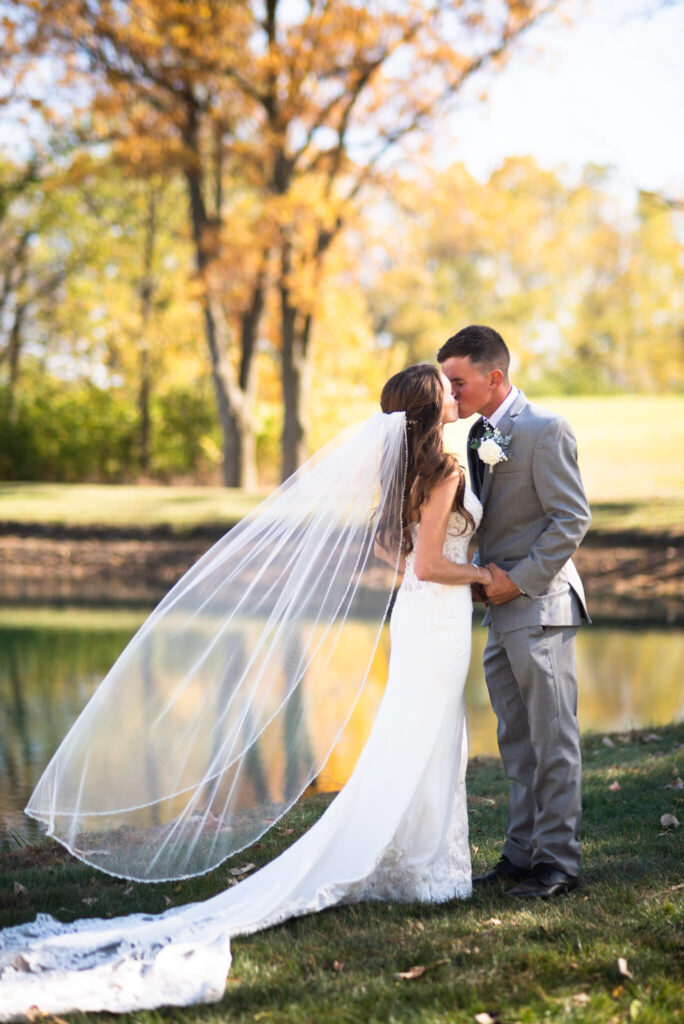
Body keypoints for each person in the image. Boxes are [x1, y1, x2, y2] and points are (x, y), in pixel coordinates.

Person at [0, 364, 489, 1019]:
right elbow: (427, 562)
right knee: (427, 734)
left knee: (421, 734)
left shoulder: (404, 471)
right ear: (432, 408)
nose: (456, 394)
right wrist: (483, 574)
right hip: (437, 620)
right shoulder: (445, 470)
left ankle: (417, 862)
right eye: (447, 390)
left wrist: (437, 576)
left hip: (422, 615)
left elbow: (391, 554)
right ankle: (425, 870)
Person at [438, 325, 591, 900]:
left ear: (494, 376)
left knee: (553, 741)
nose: (450, 392)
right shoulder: (479, 434)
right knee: (517, 743)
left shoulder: (545, 429)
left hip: (541, 606)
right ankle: (521, 854)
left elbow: (570, 520)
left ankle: (558, 863)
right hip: (498, 611)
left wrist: (516, 581)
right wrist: (479, 574)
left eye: (458, 382)